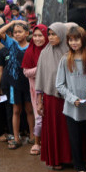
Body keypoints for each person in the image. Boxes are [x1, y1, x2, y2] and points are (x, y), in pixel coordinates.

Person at [55, 26, 86, 172]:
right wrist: (73, 99)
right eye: (71, 40)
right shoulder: (65, 60)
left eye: (76, 39)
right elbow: (59, 84)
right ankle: (79, 166)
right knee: (75, 138)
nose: (74, 43)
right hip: (72, 108)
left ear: (83, 40)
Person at [35, 23, 73, 170]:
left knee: (69, 129)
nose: (50, 37)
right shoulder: (45, 53)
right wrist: (39, 102)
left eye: (54, 34)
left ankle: (72, 157)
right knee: (56, 129)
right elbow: (40, 78)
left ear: (62, 34)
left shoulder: (70, 52)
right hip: (51, 99)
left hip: (68, 97)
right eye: (49, 34)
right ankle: (57, 159)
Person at [0, 20, 34, 149]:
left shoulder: (31, 46)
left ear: (26, 33)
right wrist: (14, 21)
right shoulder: (12, 43)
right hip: (14, 83)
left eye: (20, 32)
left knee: (29, 110)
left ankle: (33, 137)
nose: (17, 34)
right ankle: (16, 138)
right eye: (15, 32)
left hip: (28, 83)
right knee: (16, 110)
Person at [22, 24, 48, 155]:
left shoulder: (51, 49)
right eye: (35, 36)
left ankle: (48, 143)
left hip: (51, 88)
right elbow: (26, 72)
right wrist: (42, 68)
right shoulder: (30, 51)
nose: (38, 39)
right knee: (39, 117)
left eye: (41, 35)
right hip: (35, 89)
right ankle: (37, 142)